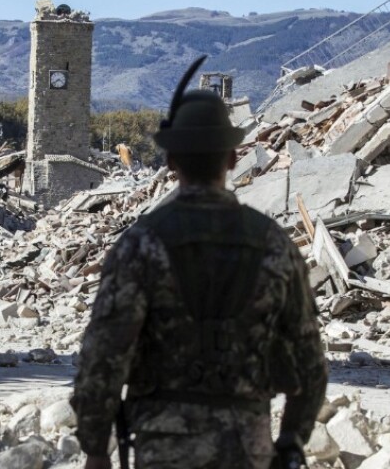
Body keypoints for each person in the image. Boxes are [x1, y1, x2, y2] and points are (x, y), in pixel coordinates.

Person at [71, 57, 328, 469]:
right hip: (248, 445)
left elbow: (103, 357)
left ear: (171, 162)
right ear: (232, 158)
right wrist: (291, 444)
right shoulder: (274, 246)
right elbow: (311, 365)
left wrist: (97, 447)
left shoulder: (140, 245)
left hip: (163, 447)